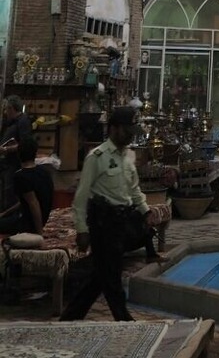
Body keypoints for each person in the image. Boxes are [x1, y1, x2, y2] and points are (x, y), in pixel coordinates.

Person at [59, 106, 151, 322]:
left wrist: (145, 210)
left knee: (100, 275)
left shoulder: (127, 157)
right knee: (112, 274)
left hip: (120, 222)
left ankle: (70, 318)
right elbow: (81, 196)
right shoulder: (97, 157)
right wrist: (82, 229)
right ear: (114, 129)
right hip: (102, 222)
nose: (130, 136)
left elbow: (133, 189)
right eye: (127, 131)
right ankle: (124, 319)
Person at [0, 134, 53, 234]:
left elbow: (34, 204)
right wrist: (4, 213)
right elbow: (26, 200)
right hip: (41, 219)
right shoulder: (44, 171)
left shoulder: (21, 176)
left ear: (18, 154)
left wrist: (39, 233)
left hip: (28, 225)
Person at [0, 94, 33, 210]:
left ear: (11, 108)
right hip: (5, 163)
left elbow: (25, 145)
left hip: (14, 164)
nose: (5, 112)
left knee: (10, 194)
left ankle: (10, 218)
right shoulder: (11, 122)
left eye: (6, 109)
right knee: (4, 193)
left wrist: (6, 149)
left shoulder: (23, 121)